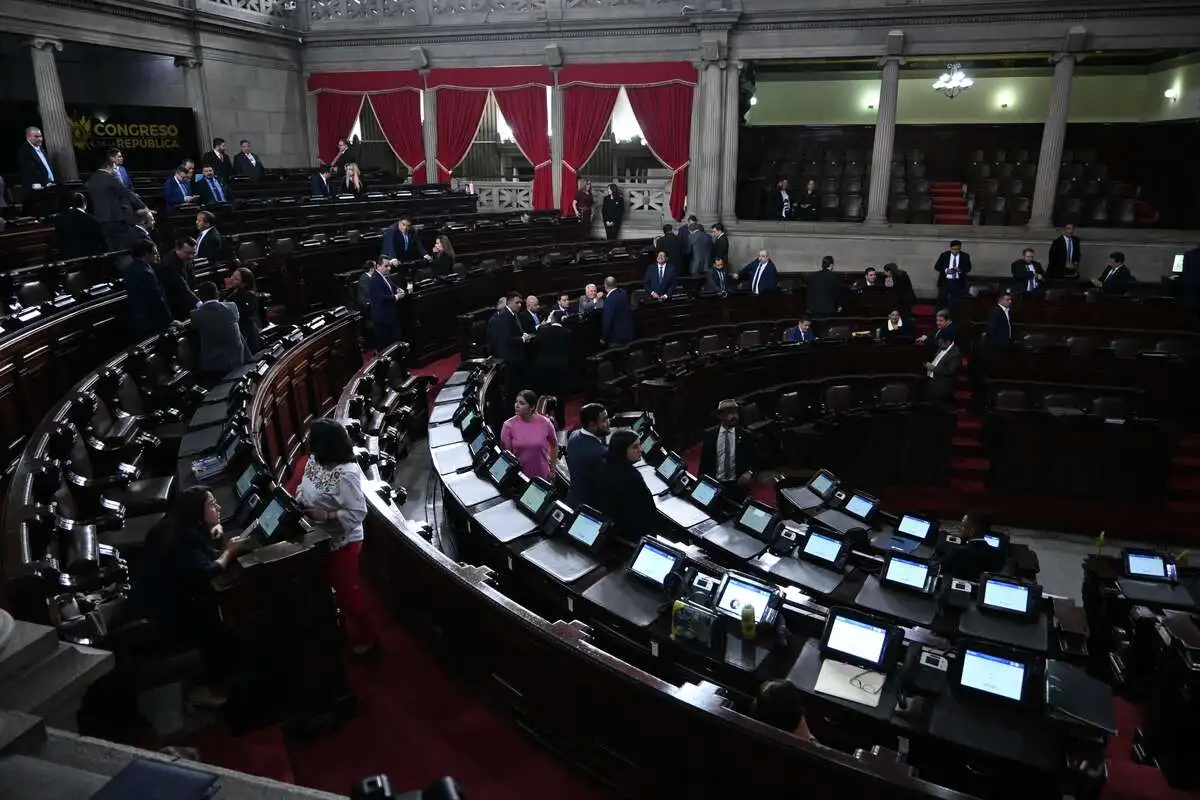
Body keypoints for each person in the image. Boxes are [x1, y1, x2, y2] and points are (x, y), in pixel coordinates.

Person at [127, 486, 250, 707]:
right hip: (163, 621)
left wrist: (215, 531)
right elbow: (208, 570)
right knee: (219, 626)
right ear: (196, 511)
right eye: (212, 504)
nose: (218, 507)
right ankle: (203, 688)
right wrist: (230, 552)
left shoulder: (172, 526)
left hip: (146, 604)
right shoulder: (184, 538)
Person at [297, 418, 379, 658]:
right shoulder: (315, 459)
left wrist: (327, 514)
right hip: (316, 532)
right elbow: (306, 482)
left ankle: (367, 637)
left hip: (343, 541)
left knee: (348, 592)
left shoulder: (347, 474)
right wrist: (301, 496)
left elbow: (357, 513)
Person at [593, 429, 660, 542]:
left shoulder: (603, 464)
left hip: (613, 529)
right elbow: (649, 510)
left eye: (640, 445)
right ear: (622, 450)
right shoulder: (632, 477)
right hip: (634, 536)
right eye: (635, 447)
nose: (640, 450)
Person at [190, 281, 251, 383]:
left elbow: (193, 327)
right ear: (217, 293)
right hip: (238, 360)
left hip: (215, 366)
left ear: (200, 296)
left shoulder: (196, 314)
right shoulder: (232, 306)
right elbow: (237, 319)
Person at [699, 399, 758, 503]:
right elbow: (704, 461)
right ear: (720, 416)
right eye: (730, 413)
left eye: (736, 412)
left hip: (736, 484)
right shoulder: (710, 434)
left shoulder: (745, 435)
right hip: (715, 482)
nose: (734, 416)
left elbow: (754, 460)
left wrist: (749, 472)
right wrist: (701, 481)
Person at [85, 154, 148, 250]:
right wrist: (143, 207)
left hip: (100, 219)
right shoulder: (110, 178)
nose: (115, 171)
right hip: (115, 219)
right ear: (108, 167)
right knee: (122, 248)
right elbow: (126, 192)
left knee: (111, 247)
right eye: (114, 169)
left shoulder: (91, 179)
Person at [500, 389, 557, 481]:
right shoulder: (508, 426)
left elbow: (554, 446)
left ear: (532, 407)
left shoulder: (546, 423)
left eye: (522, 403)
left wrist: (553, 470)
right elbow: (507, 457)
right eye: (516, 402)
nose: (517, 405)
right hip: (520, 477)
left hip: (542, 476)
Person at [121, 239, 172, 339]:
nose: (157, 255)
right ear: (146, 254)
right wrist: (170, 321)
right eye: (154, 253)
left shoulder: (129, 269)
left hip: (137, 319)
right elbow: (157, 299)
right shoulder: (146, 272)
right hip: (150, 320)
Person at [565, 403, 610, 509]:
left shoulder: (574, 435)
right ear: (592, 425)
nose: (609, 422)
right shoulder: (599, 454)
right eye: (604, 420)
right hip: (590, 508)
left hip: (573, 499)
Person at [532, 311, 572, 430]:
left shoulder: (543, 330)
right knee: (560, 396)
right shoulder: (568, 333)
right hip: (561, 369)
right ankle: (560, 423)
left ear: (553, 319)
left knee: (544, 395)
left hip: (543, 369)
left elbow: (535, 345)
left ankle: (543, 423)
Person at [156, 236, 200, 321]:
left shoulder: (185, 259)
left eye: (193, 253)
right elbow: (181, 288)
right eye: (188, 253)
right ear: (177, 249)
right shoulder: (169, 264)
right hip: (175, 305)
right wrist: (200, 304)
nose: (191, 256)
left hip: (186, 301)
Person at [18, 126, 57, 217]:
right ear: (28, 137)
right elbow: (30, 171)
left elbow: (47, 167)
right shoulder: (24, 151)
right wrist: (45, 183)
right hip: (36, 192)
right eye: (36, 136)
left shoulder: (41, 149)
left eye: (41, 136)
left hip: (49, 188)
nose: (40, 139)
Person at [55, 192, 106, 260]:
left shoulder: (60, 219)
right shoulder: (92, 219)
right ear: (84, 203)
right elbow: (101, 239)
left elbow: (59, 240)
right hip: (89, 258)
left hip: (67, 257)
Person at [367, 256, 405, 347]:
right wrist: (397, 297)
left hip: (390, 315)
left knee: (395, 342)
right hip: (382, 319)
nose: (389, 268)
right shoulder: (375, 280)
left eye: (389, 266)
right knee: (386, 346)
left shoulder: (385, 276)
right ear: (378, 266)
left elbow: (392, 286)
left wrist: (398, 289)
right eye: (386, 266)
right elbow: (381, 298)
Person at [226, 266, 262, 353]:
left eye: (236, 279)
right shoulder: (232, 294)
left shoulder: (248, 295)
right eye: (232, 276)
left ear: (244, 283)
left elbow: (248, 313)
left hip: (246, 330)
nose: (231, 279)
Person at [925, 335, 962, 408]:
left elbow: (951, 371)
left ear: (948, 342)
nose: (939, 345)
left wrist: (933, 368)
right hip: (931, 380)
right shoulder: (942, 347)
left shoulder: (955, 353)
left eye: (940, 343)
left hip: (943, 383)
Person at [934, 239, 972, 310]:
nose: (955, 251)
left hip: (958, 282)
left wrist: (960, 270)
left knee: (958, 302)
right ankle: (939, 315)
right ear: (950, 248)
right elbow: (937, 267)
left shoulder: (965, 256)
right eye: (953, 249)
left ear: (960, 248)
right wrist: (946, 270)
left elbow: (968, 268)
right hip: (945, 281)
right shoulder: (944, 255)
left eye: (957, 249)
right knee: (941, 300)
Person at [600, 275, 633, 347]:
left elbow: (607, 321)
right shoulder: (624, 294)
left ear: (605, 286)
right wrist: (605, 296)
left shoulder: (609, 300)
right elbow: (616, 297)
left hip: (616, 338)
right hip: (628, 333)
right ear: (615, 284)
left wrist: (604, 338)